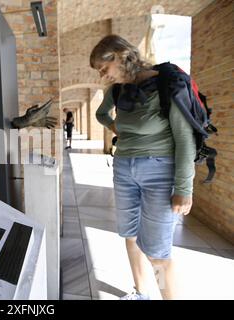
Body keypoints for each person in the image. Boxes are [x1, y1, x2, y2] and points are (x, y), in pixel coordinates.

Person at [90, 35, 196, 300]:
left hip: (159, 172)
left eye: (104, 67)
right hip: (124, 168)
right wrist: (119, 130)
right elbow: (102, 114)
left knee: (157, 253)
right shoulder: (117, 90)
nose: (102, 74)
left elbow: (185, 139)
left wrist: (184, 188)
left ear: (121, 55)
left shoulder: (167, 84)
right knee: (131, 234)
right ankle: (140, 292)